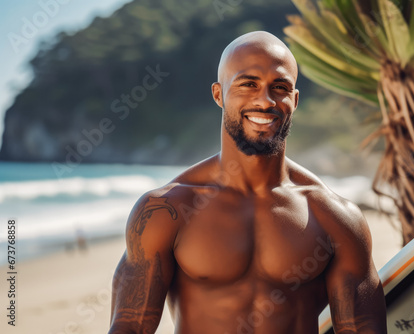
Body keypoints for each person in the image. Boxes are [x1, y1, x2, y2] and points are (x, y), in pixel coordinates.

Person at [108, 31, 387, 334]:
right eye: (248, 84)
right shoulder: (166, 210)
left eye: (279, 87)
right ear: (219, 94)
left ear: (293, 100)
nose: (265, 101)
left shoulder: (333, 216)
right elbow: (130, 328)